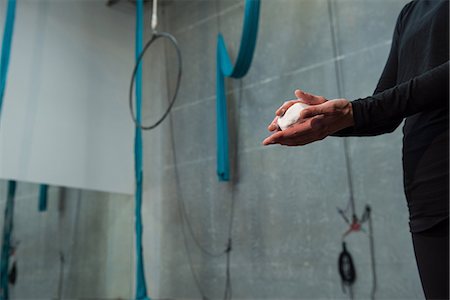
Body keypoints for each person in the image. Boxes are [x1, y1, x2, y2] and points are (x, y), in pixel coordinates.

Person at [262, 0, 449, 299]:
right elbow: (384, 110)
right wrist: (328, 120)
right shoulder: (410, 12)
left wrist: (356, 111)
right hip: (427, 195)